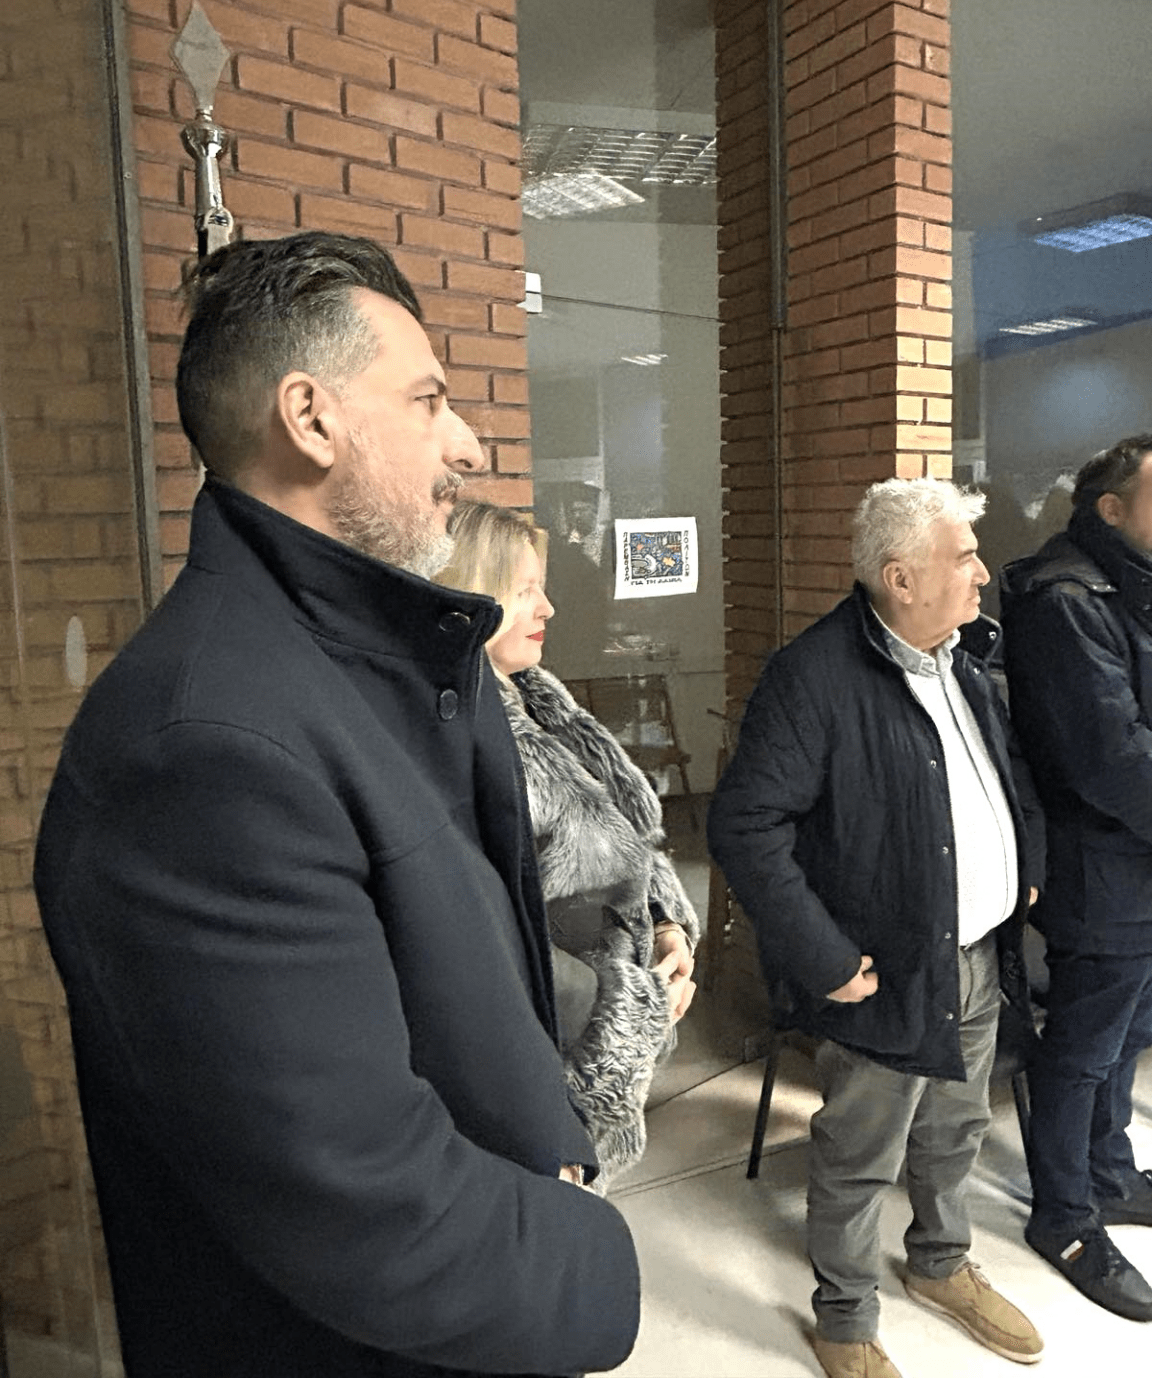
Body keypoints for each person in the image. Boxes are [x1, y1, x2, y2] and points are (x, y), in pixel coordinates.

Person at [33, 232, 641, 1378]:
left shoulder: (378, 668)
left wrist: (554, 1122)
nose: (466, 444)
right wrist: (591, 1255)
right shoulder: (204, 747)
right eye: (428, 400)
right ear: (311, 418)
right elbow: (360, 1201)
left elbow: (448, 967)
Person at [708, 478, 1044, 1378]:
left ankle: (940, 1264)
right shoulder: (812, 677)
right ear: (900, 578)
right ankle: (846, 1319)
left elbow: (1005, 772)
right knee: (860, 1156)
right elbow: (744, 825)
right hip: (881, 971)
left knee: (955, 1129)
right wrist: (821, 957)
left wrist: (1026, 869)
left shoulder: (963, 657)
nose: (982, 573)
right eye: (963, 558)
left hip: (976, 955)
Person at [437, 500, 697, 1188]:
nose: (548, 607)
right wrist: (631, 1006)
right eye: (524, 590)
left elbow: (631, 837)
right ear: (471, 592)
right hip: (544, 1090)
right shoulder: (457, 739)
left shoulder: (538, 699)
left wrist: (666, 923)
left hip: (597, 1071)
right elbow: (482, 947)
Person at [1001, 434, 1152, 1321]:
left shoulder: (1131, 586)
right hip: (1099, 870)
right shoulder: (1065, 598)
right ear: (1112, 509)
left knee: (1130, 1031)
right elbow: (1111, 760)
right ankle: (1063, 1217)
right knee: (1084, 1047)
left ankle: (1111, 1172)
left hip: (1139, 860)